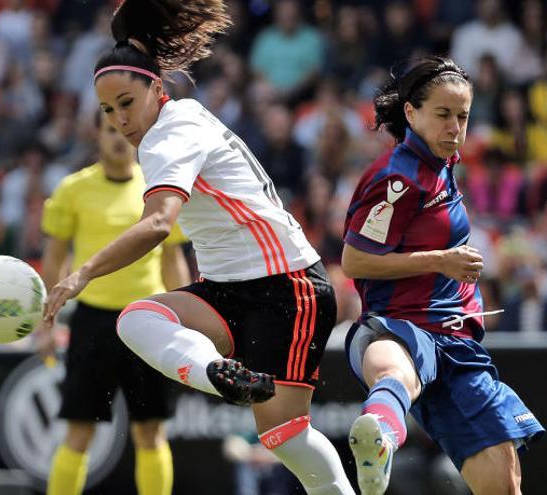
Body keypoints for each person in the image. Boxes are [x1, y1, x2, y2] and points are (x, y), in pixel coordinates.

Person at [42, 1, 355, 493]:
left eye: (126, 102)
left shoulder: (173, 131)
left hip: (288, 286)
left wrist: (82, 274)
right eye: (107, 110)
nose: (119, 119)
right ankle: (220, 373)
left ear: (157, 89)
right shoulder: (169, 128)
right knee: (137, 318)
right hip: (227, 288)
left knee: (284, 439)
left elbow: (159, 225)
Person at [341, 56, 544, 495]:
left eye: (463, 116)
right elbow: (354, 261)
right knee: (398, 371)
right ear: (411, 114)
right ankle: (380, 432)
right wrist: (440, 260)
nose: (455, 126)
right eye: (443, 114)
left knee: (506, 485)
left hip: (457, 344)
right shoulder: (397, 179)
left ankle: (382, 426)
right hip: (399, 324)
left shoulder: (442, 166)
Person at [39, 111, 191, 495]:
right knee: (79, 431)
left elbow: (173, 260)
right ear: (98, 134)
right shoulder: (73, 189)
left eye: (124, 129)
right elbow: (54, 259)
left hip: (149, 321)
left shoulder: (159, 188)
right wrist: (46, 324)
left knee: (152, 430)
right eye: (109, 129)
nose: (118, 138)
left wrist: (188, 322)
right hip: (92, 323)